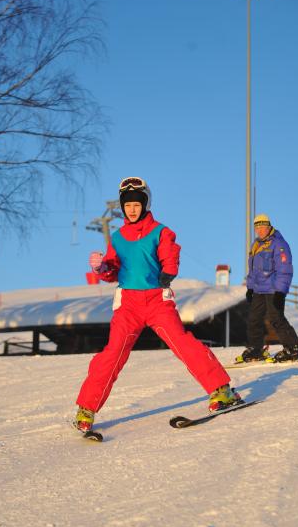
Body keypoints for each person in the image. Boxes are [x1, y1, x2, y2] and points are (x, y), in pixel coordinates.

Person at [73, 177, 242, 433]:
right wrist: (102, 267)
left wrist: (169, 270)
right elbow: (112, 271)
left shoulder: (161, 231)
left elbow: (170, 252)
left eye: (136, 204)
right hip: (127, 304)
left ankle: (221, 390)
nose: (132, 209)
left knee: (182, 342)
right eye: (127, 205)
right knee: (113, 354)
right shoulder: (117, 239)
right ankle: (86, 409)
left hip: (156, 300)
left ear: (145, 204)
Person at [236, 213, 298, 363]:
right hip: (259, 290)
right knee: (254, 319)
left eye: (263, 227)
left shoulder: (278, 244)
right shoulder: (256, 245)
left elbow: (284, 269)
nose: (260, 230)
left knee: (276, 318)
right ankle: (256, 349)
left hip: (273, 289)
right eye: (257, 227)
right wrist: (250, 288)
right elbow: (253, 270)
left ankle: (293, 348)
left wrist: (281, 291)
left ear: (269, 226)